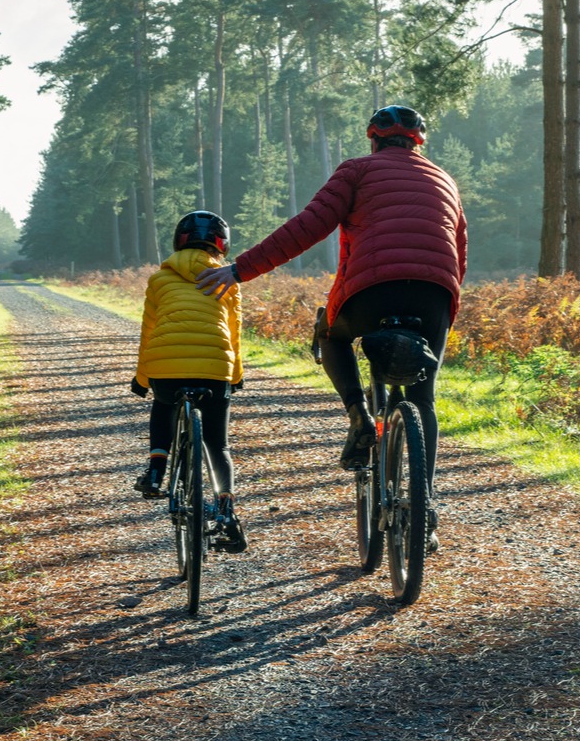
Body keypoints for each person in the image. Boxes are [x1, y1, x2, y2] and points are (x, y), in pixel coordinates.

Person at [196, 105, 466, 546]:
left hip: (371, 290)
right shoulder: (444, 179)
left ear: (373, 139)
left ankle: (360, 417)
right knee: (423, 397)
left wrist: (240, 270)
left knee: (332, 335)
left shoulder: (357, 170)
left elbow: (308, 226)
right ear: (418, 142)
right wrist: (444, 309)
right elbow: (459, 248)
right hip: (434, 293)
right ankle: (425, 507)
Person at [131, 209, 247, 553]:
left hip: (165, 368)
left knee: (163, 403)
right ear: (221, 244)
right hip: (215, 371)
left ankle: (155, 469)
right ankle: (225, 510)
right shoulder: (228, 278)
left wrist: (142, 378)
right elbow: (235, 332)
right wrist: (235, 376)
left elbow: (148, 331)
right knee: (218, 444)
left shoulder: (159, 279)